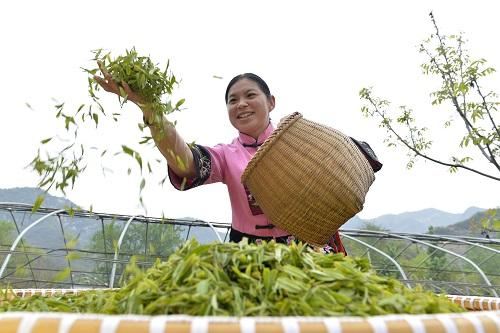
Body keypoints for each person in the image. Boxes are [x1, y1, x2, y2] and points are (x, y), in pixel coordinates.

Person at [95, 67, 347, 254]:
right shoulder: (227, 155)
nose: (241, 104)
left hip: (307, 249)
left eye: (250, 95)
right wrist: (148, 107)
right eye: (232, 100)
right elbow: (184, 162)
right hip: (247, 254)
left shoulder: (299, 143)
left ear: (271, 103)